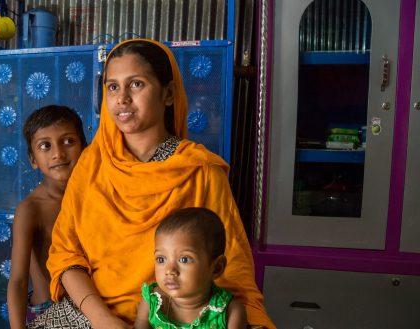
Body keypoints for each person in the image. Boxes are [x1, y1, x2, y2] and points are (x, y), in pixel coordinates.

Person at [34, 39, 275, 328]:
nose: (122, 98)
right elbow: (65, 256)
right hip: (88, 314)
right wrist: (104, 321)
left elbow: (231, 270)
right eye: (112, 87)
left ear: (169, 94)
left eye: (136, 84)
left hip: (168, 320)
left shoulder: (200, 171)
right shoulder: (91, 165)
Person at [7, 105, 88, 329]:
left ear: (84, 147)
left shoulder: (94, 198)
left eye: (68, 141)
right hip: (48, 311)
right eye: (45, 146)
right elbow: (18, 280)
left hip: (89, 310)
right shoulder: (31, 209)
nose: (58, 153)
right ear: (33, 159)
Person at [134, 207, 247, 329]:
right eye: (161, 259)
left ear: (216, 268)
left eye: (184, 259)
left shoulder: (231, 313)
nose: (170, 271)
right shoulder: (152, 303)